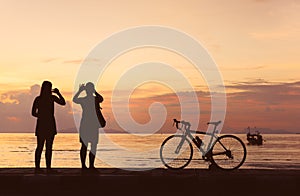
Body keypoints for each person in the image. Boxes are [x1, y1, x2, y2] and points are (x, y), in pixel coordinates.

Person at [31, 81, 66, 174]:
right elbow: (33, 113)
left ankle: (45, 168)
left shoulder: (45, 98)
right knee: (43, 146)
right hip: (45, 124)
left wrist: (58, 93)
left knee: (45, 146)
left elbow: (63, 103)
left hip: (47, 124)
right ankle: (41, 168)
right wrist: (43, 116)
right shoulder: (42, 99)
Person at [73, 82, 103, 171]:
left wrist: (80, 91)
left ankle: (88, 166)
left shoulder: (90, 99)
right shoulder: (90, 99)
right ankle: (87, 166)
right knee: (88, 146)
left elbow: (101, 99)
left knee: (89, 146)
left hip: (89, 124)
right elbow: (74, 100)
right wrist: (93, 91)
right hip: (89, 124)